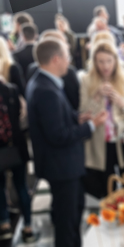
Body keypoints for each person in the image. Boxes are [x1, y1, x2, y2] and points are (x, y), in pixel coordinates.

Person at [27, 38, 107, 247]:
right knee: (67, 223)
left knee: (71, 216)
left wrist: (77, 117)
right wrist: (91, 126)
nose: (69, 61)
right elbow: (58, 135)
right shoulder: (46, 90)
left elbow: (55, 119)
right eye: (67, 56)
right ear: (56, 59)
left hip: (60, 167)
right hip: (62, 168)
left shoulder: (43, 81)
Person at [80, 40, 124, 198]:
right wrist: (97, 96)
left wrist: (121, 103)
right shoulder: (86, 80)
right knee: (107, 189)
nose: (105, 66)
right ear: (94, 62)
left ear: (115, 60)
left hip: (122, 141)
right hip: (99, 144)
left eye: (109, 61)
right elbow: (83, 113)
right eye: (100, 61)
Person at [0, 79, 37, 243]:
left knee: (0, 189)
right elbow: (21, 115)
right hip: (16, 146)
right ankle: (28, 228)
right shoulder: (11, 89)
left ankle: (5, 226)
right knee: (21, 185)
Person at [26, 30, 81, 110]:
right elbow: (75, 103)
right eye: (64, 43)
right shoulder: (68, 72)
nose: (68, 46)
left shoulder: (32, 69)